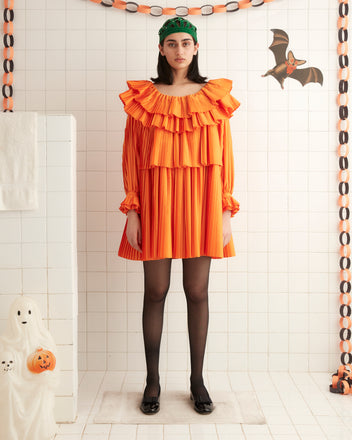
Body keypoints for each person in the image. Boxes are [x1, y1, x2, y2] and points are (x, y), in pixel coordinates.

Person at [118, 16, 240, 415]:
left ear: (196, 48)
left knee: (197, 292)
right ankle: (152, 381)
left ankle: (197, 380)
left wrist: (225, 211)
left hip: (202, 201)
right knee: (155, 291)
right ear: (161, 49)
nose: (179, 50)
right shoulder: (144, 98)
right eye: (171, 43)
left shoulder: (212, 96)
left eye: (186, 43)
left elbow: (224, 157)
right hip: (154, 201)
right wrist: (132, 211)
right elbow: (132, 157)